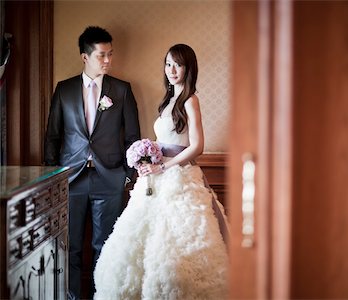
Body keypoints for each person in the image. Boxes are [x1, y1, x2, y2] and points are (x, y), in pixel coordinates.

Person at [93, 44, 228, 299]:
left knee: (174, 239)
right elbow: (165, 138)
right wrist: (148, 156)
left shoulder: (190, 99)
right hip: (157, 175)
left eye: (178, 64)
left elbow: (197, 145)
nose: (172, 70)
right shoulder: (169, 100)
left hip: (178, 175)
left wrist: (163, 165)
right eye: (168, 64)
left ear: (188, 68)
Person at [44, 26, 141, 300]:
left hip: (109, 178)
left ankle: (103, 296)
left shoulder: (121, 90)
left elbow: (132, 136)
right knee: (70, 247)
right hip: (71, 179)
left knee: (105, 246)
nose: (108, 60)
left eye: (110, 54)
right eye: (101, 55)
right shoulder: (64, 90)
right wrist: (53, 177)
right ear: (84, 57)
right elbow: (52, 135)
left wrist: (127, 175)